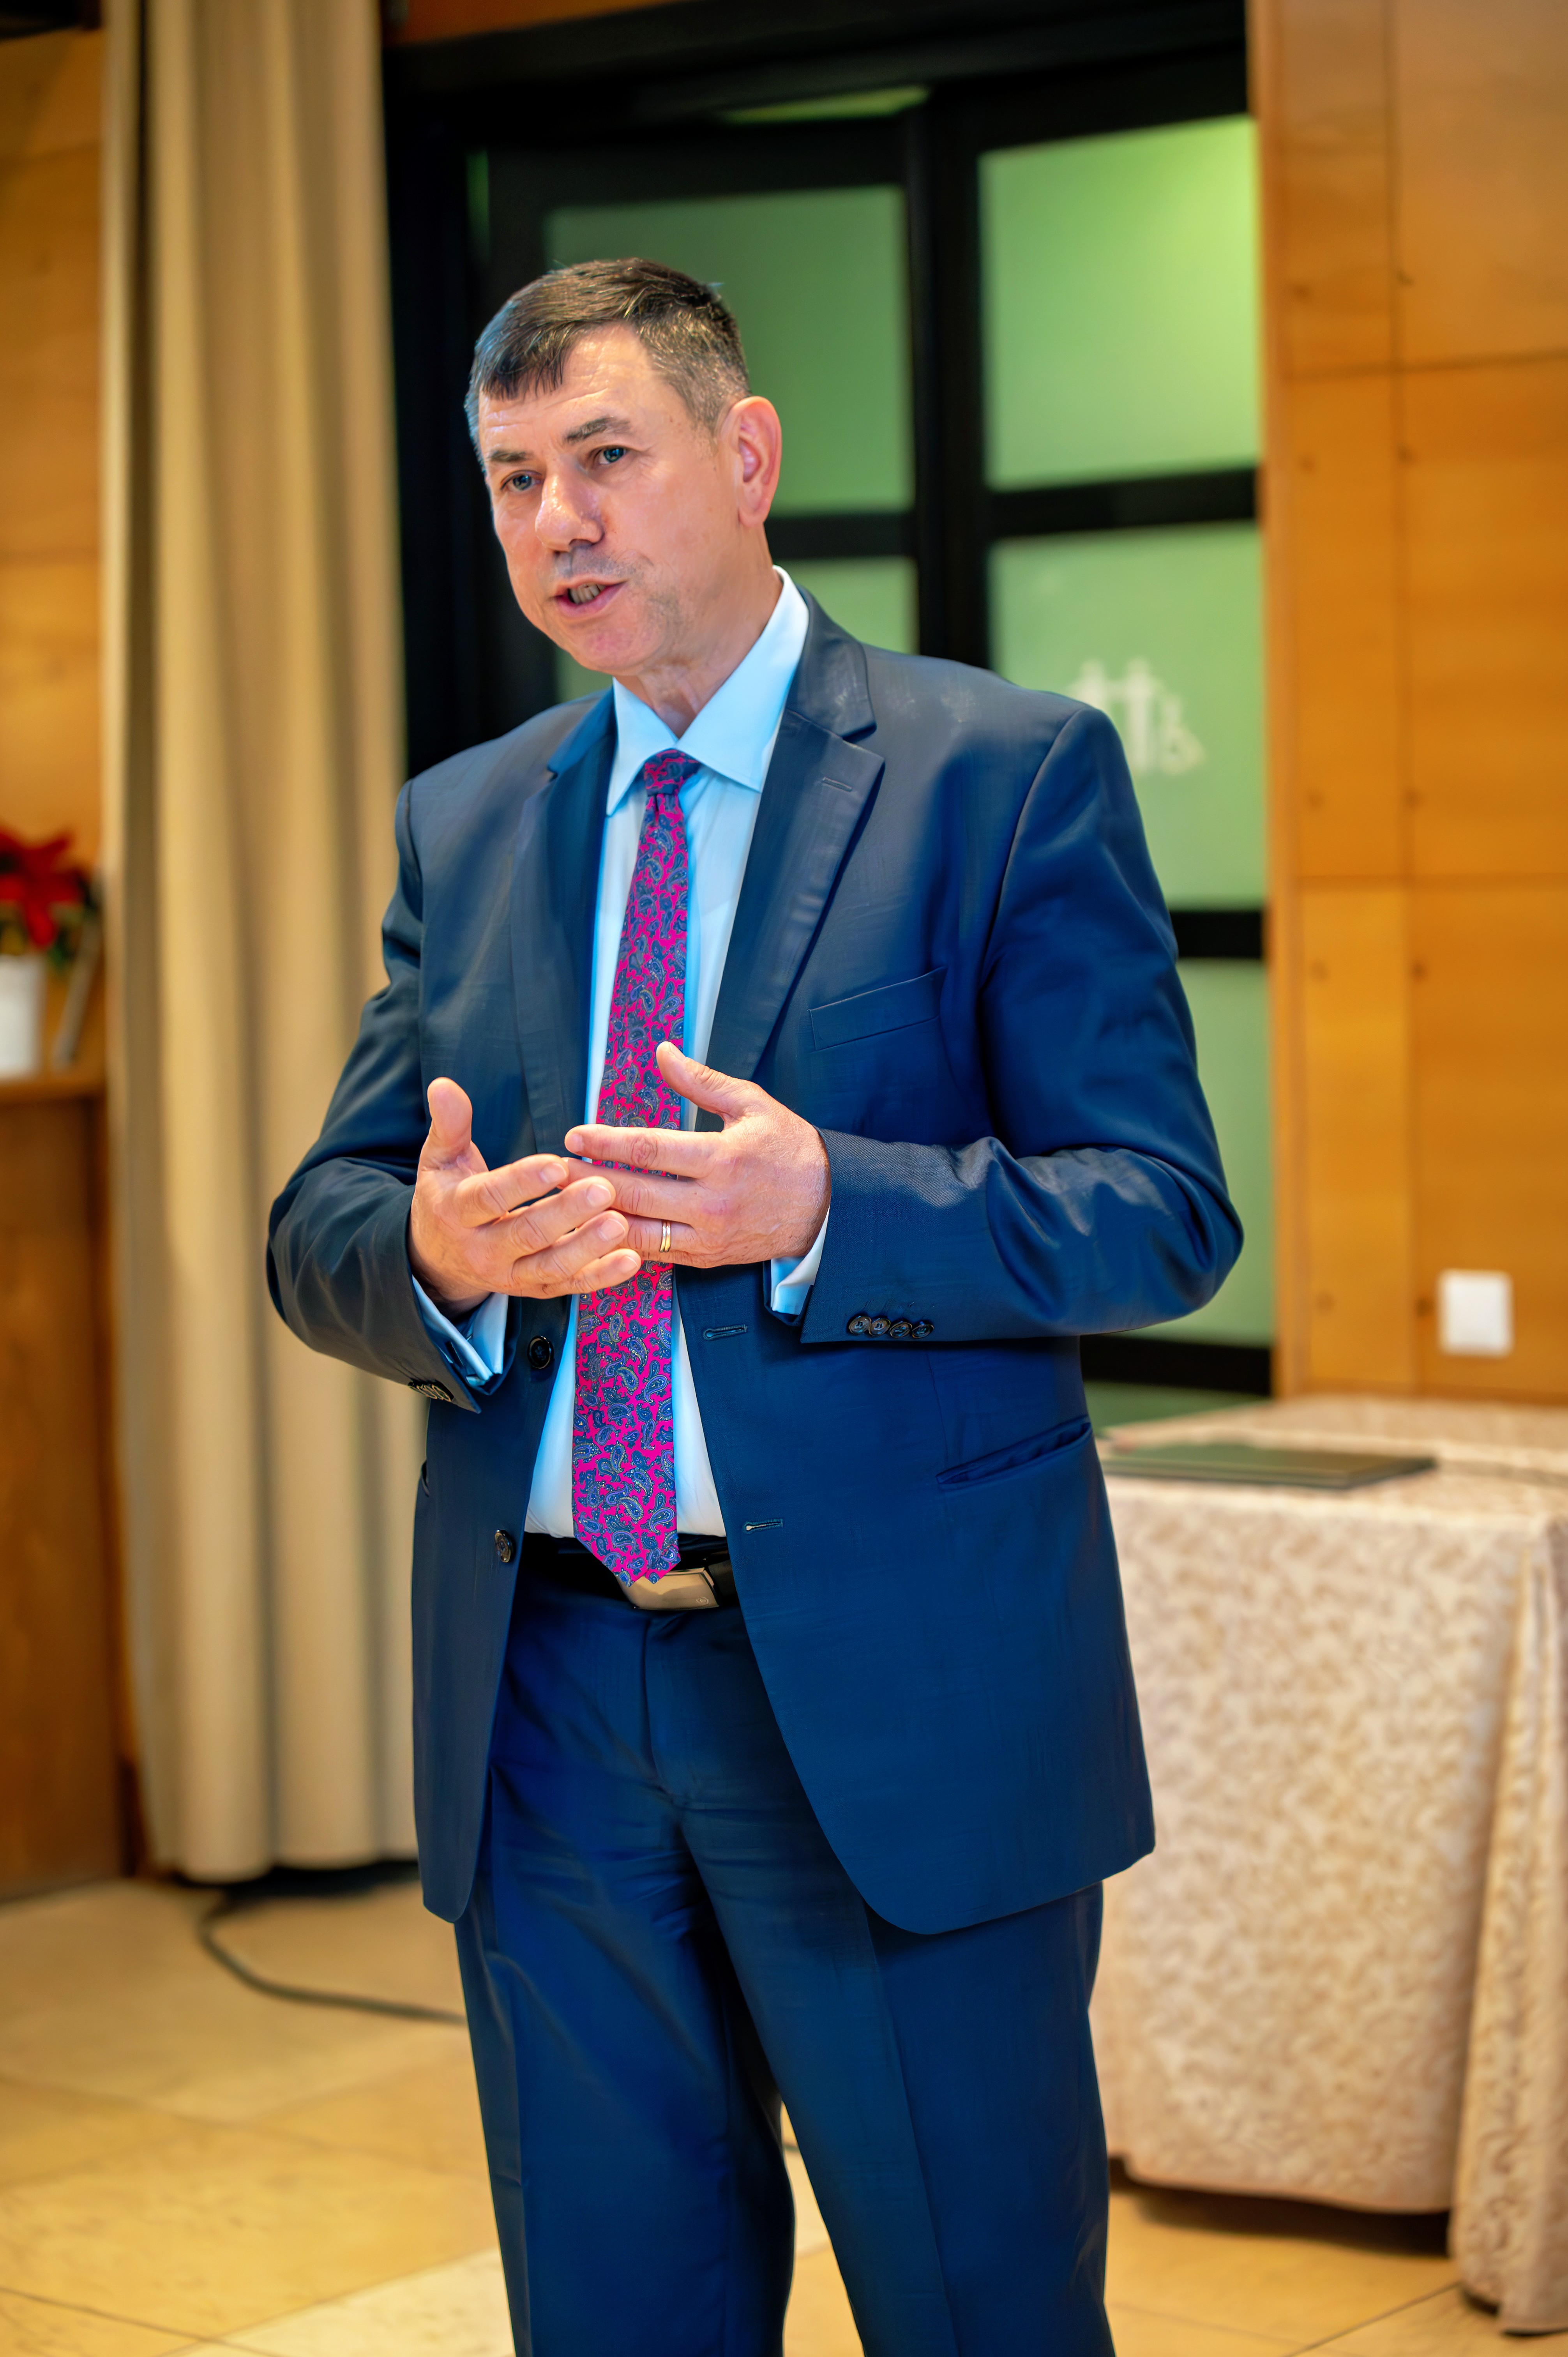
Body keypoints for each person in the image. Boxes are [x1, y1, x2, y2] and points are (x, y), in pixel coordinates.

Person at [268, 257, 1240, 2356]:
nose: (557, 521)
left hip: (893, 1704)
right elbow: (323, 1218)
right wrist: (441, 1257)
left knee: (975, 2310)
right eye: (513, 479)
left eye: (605, 456)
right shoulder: (471, 822)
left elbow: (1162, 1213)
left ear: (747, 454)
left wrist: (830, 1207)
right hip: (547, 1702)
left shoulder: (1001, 773)